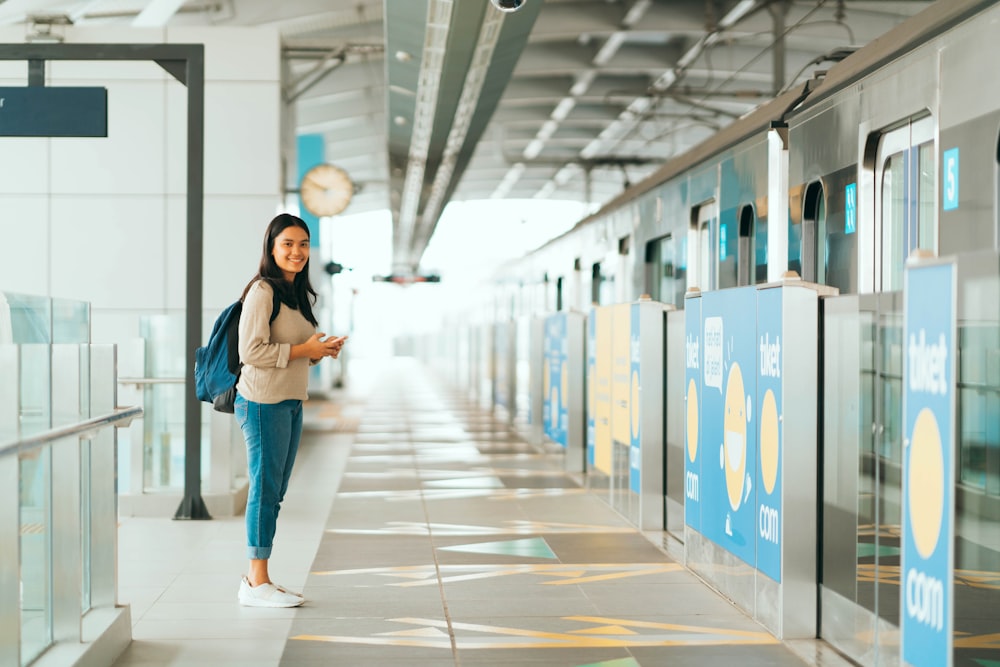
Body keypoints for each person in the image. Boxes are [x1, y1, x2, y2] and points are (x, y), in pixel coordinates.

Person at [234, 213, 345, 608]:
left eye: (303, 245)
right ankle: (255, 582)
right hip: (262, 403)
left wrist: (319, 351)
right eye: (288, 244)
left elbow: (294, 355)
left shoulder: (296, 294)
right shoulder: (263, 291)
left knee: (275, 492)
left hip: (290, 401)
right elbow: (251, 352)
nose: (297, 252)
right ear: (271, 248)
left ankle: (258, 578)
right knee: (264, 490)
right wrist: (305, 350)